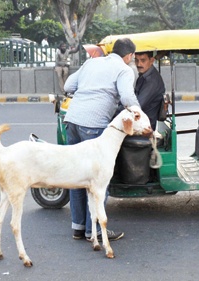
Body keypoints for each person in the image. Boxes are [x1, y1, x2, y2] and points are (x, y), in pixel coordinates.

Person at [63, 38, 140, 241]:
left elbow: (68, 84)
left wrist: (87, 93)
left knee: (77, 177)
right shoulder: (124, 69)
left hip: (72, 121)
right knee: (98, 182)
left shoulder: (92, 62)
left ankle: (78, 228)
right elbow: (127, 98)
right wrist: (140, 117)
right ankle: (94, 231)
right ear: (129, 56)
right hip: (94, 126)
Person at [134, 51, 165, 130]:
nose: (139, 64)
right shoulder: (144, 75)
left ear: (151, 60)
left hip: (144, 127)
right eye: (136, 60)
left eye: (143, 60)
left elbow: (137, 105)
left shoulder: (151, 81)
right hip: (139, 122)